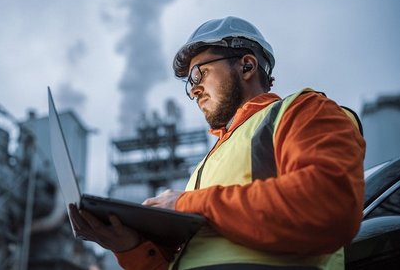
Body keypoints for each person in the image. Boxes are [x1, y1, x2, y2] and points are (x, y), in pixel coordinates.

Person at [68, 16, 365, 269]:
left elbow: (328, 205)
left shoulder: (302, 111)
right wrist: (130, 247)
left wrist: (187, 204)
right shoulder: (204, 167)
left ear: (247, 66)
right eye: (189, 83)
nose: (194, 90)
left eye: (200, 73)